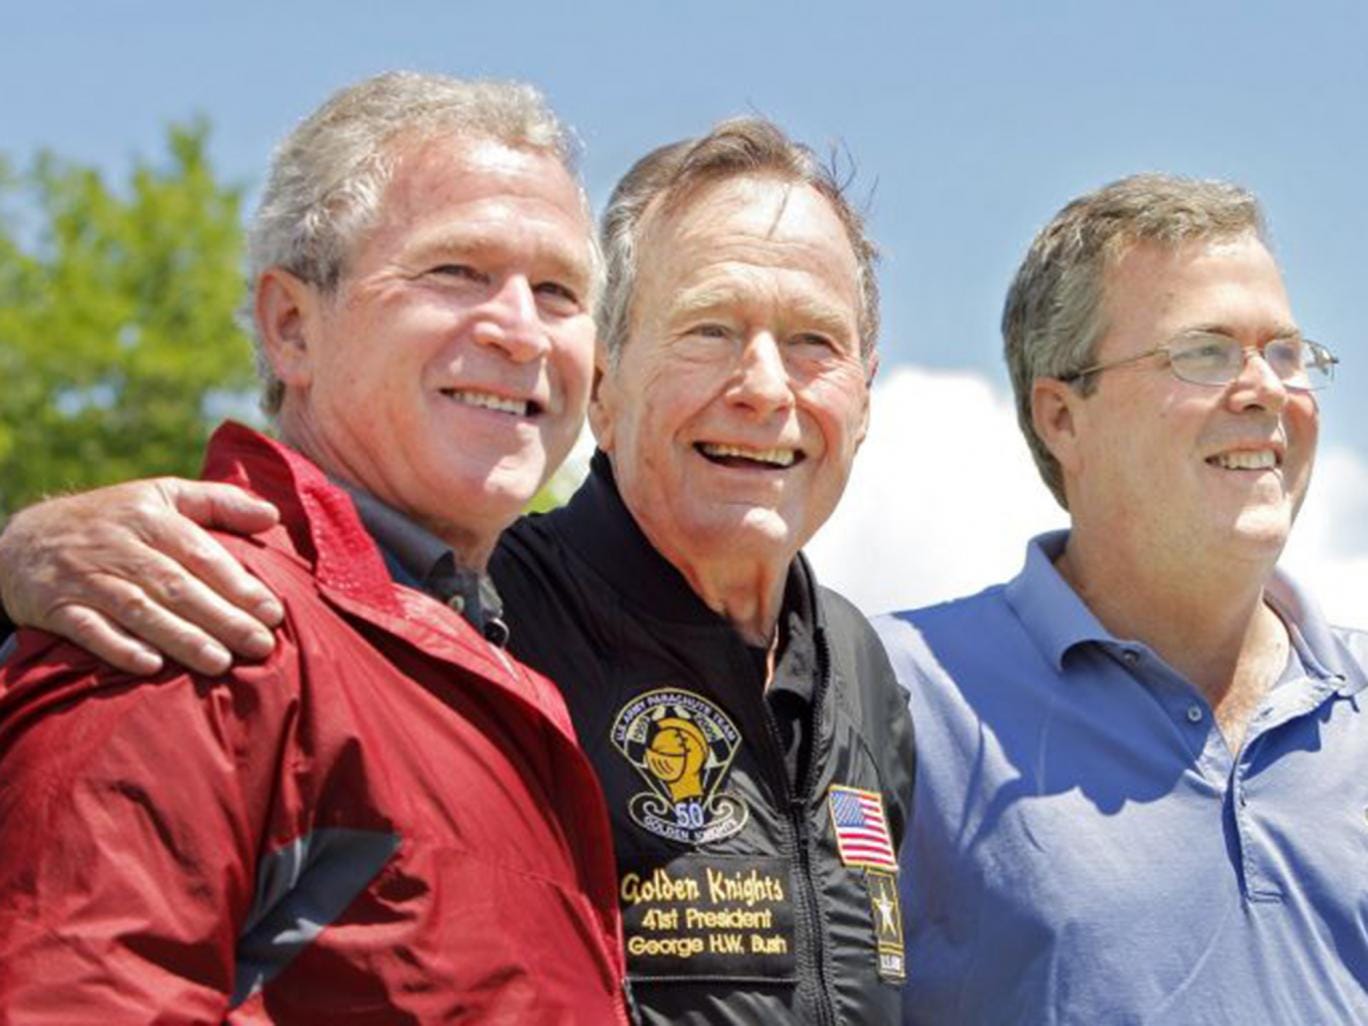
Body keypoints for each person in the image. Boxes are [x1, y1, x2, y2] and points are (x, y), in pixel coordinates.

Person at [0, 120, 915, 1023]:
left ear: (866, 391)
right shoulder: (261, 616)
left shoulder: (864, 674)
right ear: (606, 383)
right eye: (710, 329)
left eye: (814, 343)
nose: (765, 386)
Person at [0, 71, 632, 1023]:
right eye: (455, 270)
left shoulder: (495, 656)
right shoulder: (187, 618)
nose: (519, 329)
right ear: (291, 325)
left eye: (558, 291)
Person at [877, 174, 1367, 1024]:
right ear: (1063, 417)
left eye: (1285, 351)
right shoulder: (897, 692)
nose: (1265, 389)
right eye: (1204, 352)